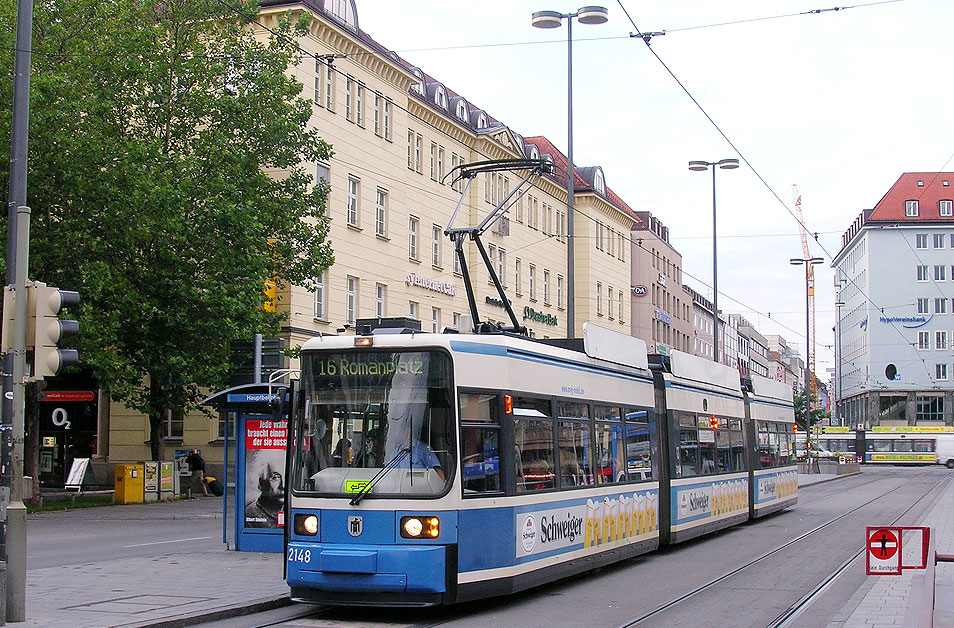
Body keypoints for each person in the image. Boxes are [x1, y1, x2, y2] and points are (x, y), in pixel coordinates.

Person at [244, 462, 285, 528]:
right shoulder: (250, 516)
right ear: (262, 482)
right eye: (276, 477)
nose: (283, 485)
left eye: (289, 476)